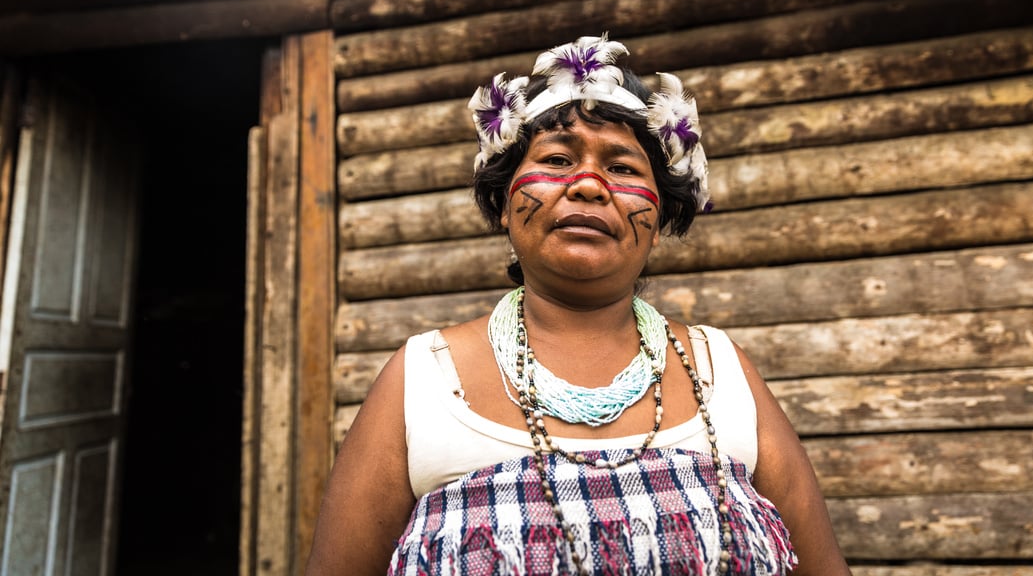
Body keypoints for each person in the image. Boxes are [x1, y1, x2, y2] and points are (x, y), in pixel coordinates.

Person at [306, 35, 852, 575]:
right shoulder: (424, 378)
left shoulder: (722, 371)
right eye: (559, 159)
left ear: (659, 221)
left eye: (622, 168)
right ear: (504, 204)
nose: (589, 184)